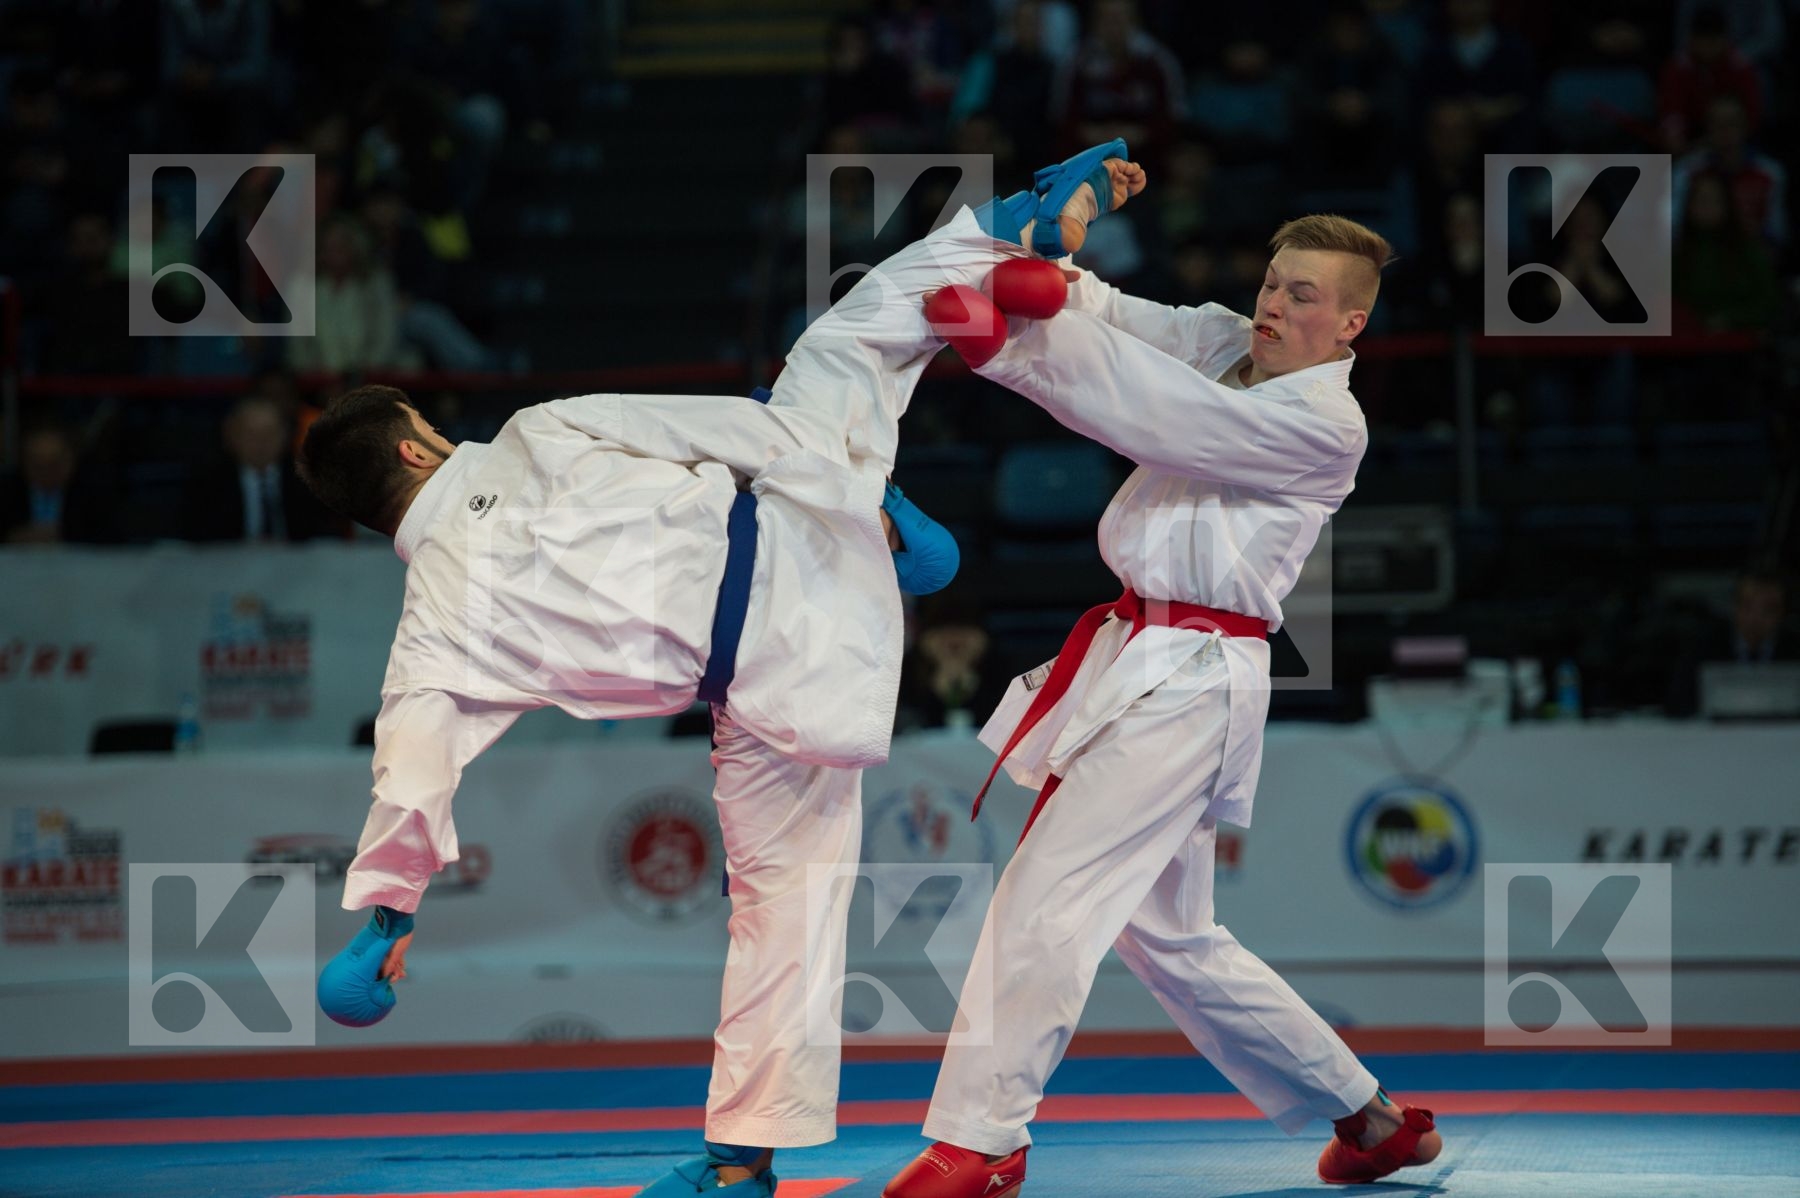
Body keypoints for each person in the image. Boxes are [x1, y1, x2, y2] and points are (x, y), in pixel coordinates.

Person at [296, 196, 1046, 1196]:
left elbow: (412, 775)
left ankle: (740, 1165)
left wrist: (387, 918)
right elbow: (728, 428)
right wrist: (852, 489)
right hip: (799, 535)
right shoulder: (532, 433)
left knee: (783, 912)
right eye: (429, 426)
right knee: (839, 345)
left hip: (787, 690)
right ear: (413, 448)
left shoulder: (430, 631)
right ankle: (1013, 228)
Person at [886, 160, 1442, 1197]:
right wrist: (1053, 252)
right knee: (1175, 939)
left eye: (1304, 295)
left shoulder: (1328, 425)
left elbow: (1157, 416)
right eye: (1275, 281)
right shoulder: (1232, 341)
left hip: (1194, 677)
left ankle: (986, 1138)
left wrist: (1008, 339)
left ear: (1352, 327)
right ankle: (1369, 1118)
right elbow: (1124, 317)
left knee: (1044, 901)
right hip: (1142, 658)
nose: (1276, 304)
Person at [182, 395, 337, 542]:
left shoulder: (308, 481)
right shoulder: (206, 484)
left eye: (269, 433)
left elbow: (323, 538)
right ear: (231, 435)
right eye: (250, 433)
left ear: (285, 435)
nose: (261, 442)